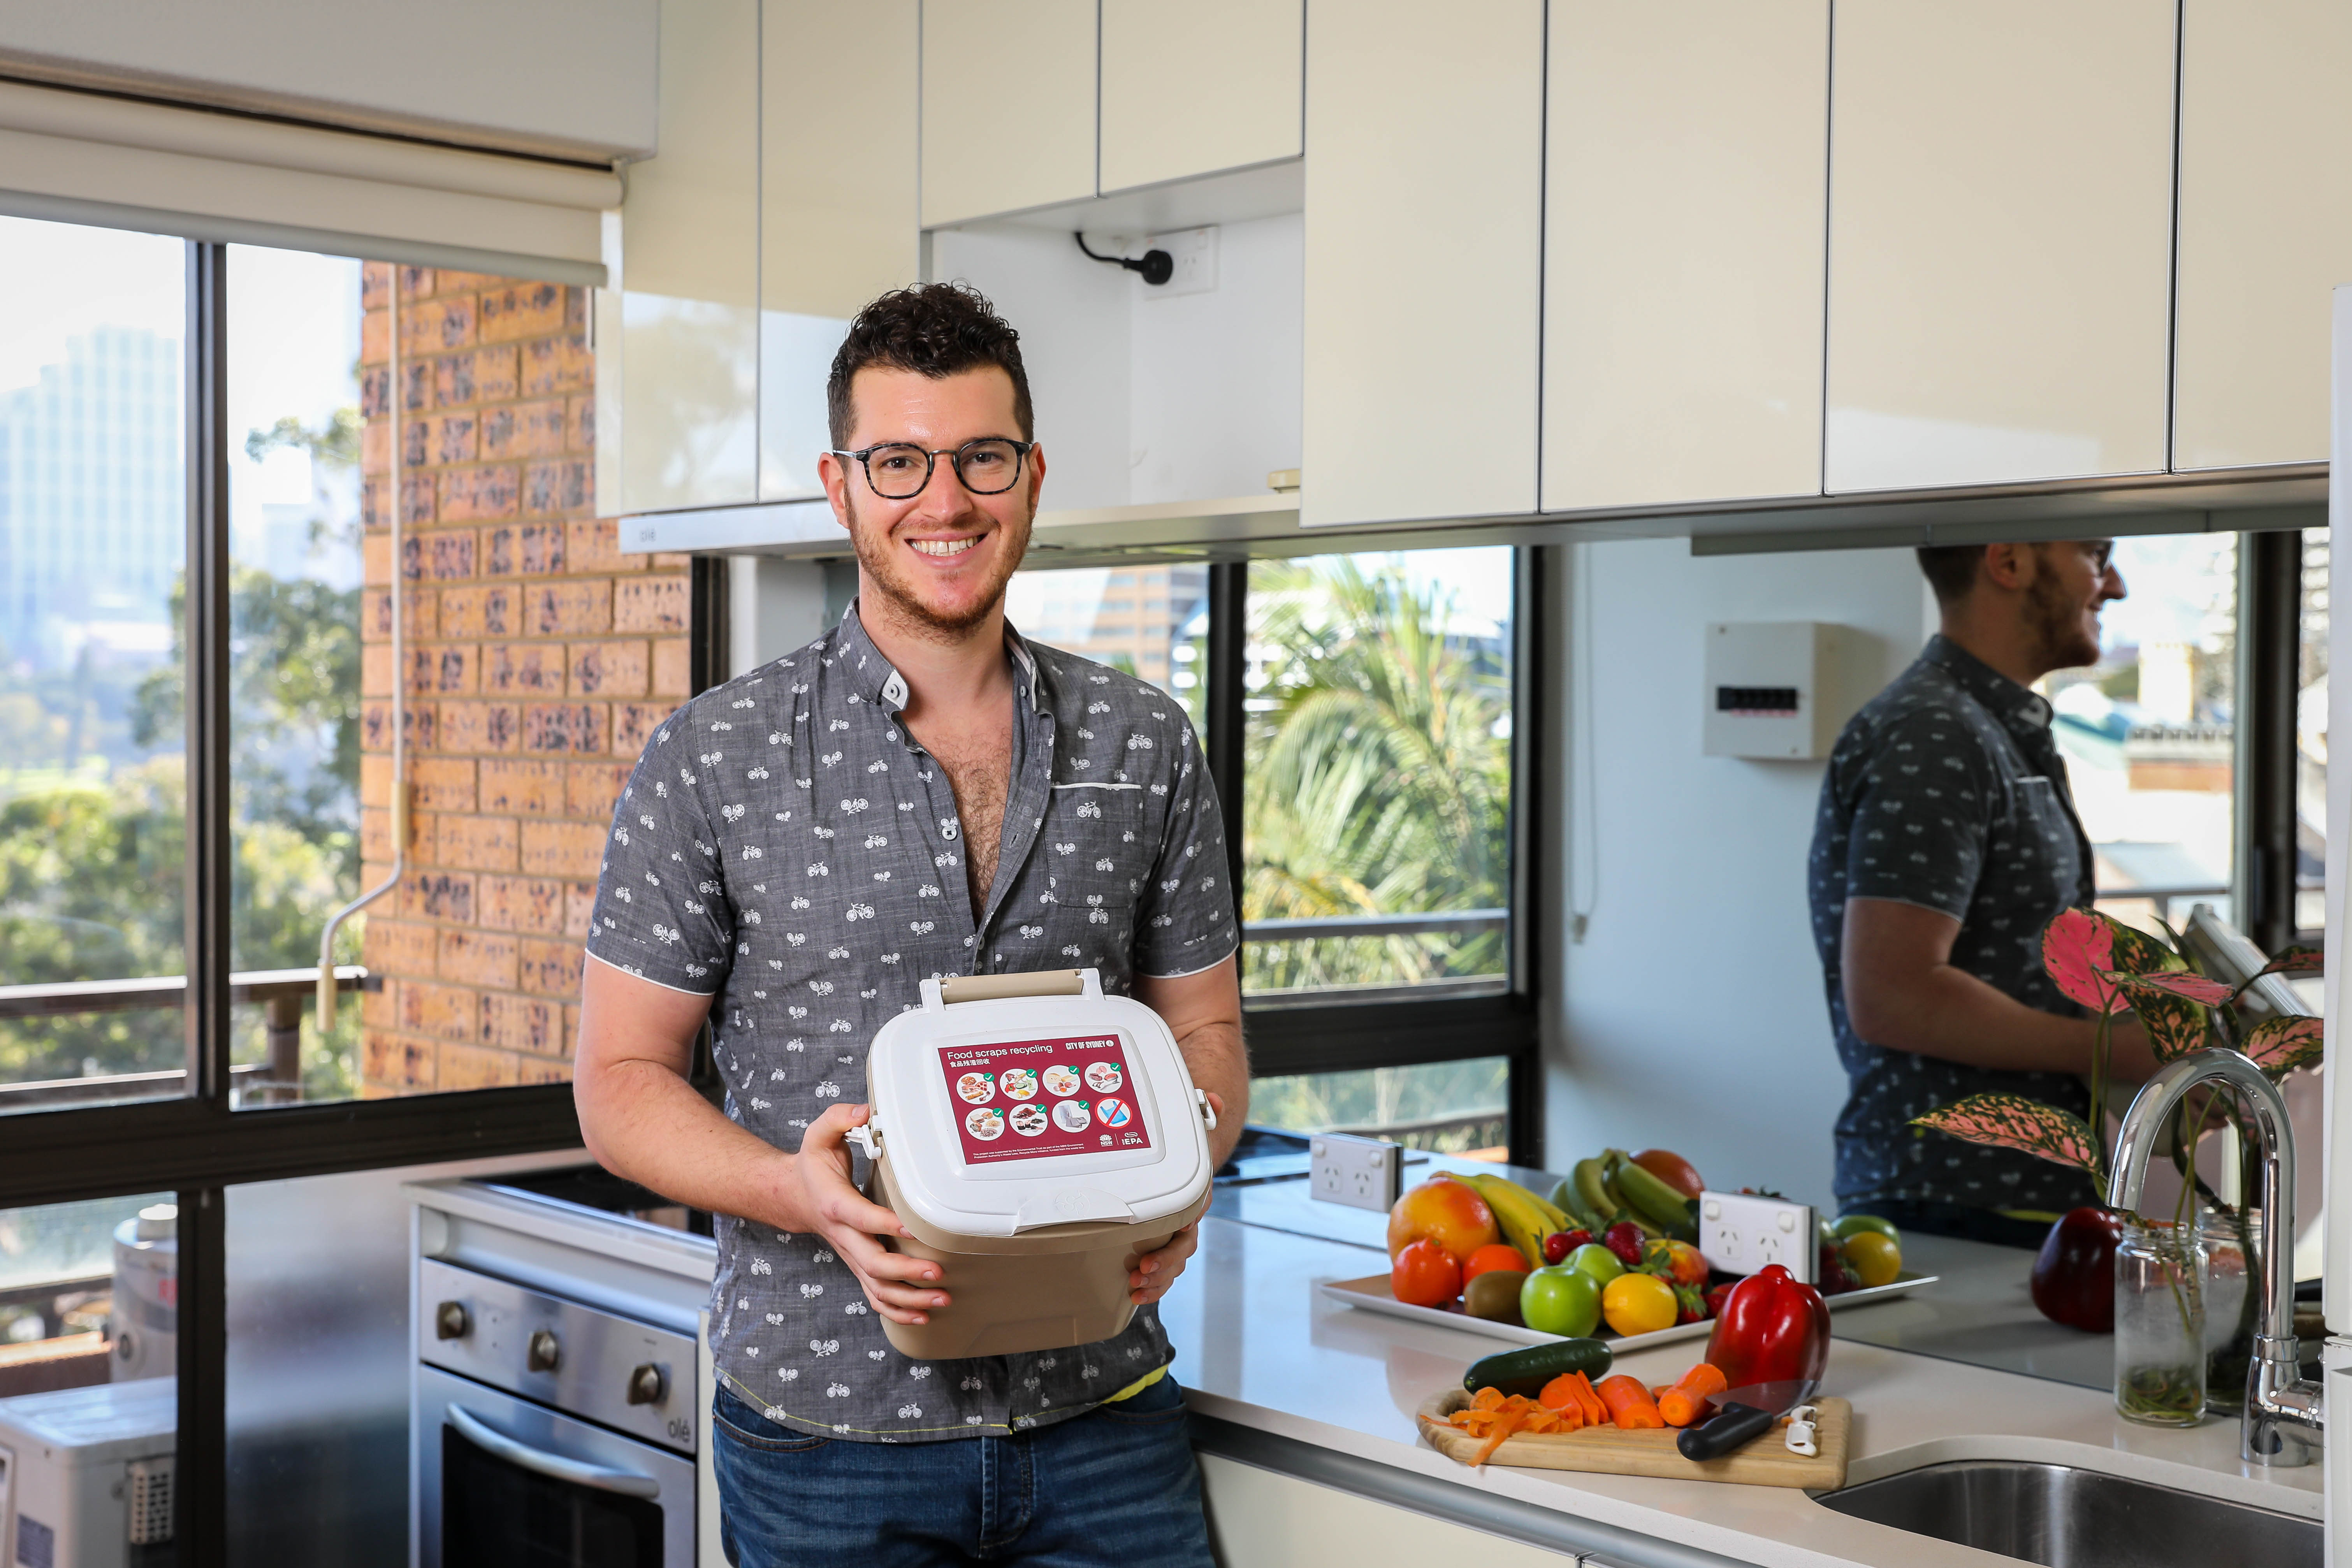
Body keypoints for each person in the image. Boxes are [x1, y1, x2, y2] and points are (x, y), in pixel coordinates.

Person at [571, 282, 1246, 1566]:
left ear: (1033, 473)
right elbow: (617, 1082)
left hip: (1103, 1407)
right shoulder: (710, 757)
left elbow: (1201, 1027)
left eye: (981, 456)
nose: (946, 500)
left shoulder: (1145, 739)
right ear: (841, 484)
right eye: (900, 461)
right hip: (828, 1435)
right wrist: (796, 1189)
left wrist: (1181, 1182)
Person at [1809, 539, 2159, 1248]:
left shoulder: (1979, 725)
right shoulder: (1934, 732)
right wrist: (2110, 1052)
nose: (2114, 585)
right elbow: (1893, 995)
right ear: (2008, 563)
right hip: (1958, 1200)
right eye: (2094, 555)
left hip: (1994, 1198)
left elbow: (2008, 958)